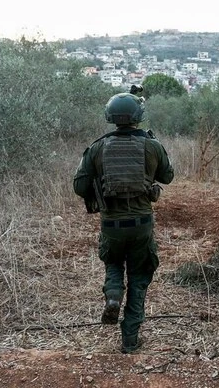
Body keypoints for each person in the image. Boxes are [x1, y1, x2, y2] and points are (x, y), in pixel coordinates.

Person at [73, 85, 174, 354]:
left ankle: (114, 295)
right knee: (139, 277)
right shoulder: (151, 145)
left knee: (114, 263)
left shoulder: (98, 147)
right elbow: (168, 176)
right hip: (142, 224)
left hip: (111, 226)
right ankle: (130, 339)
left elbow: (79, 186)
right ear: (137, 116)